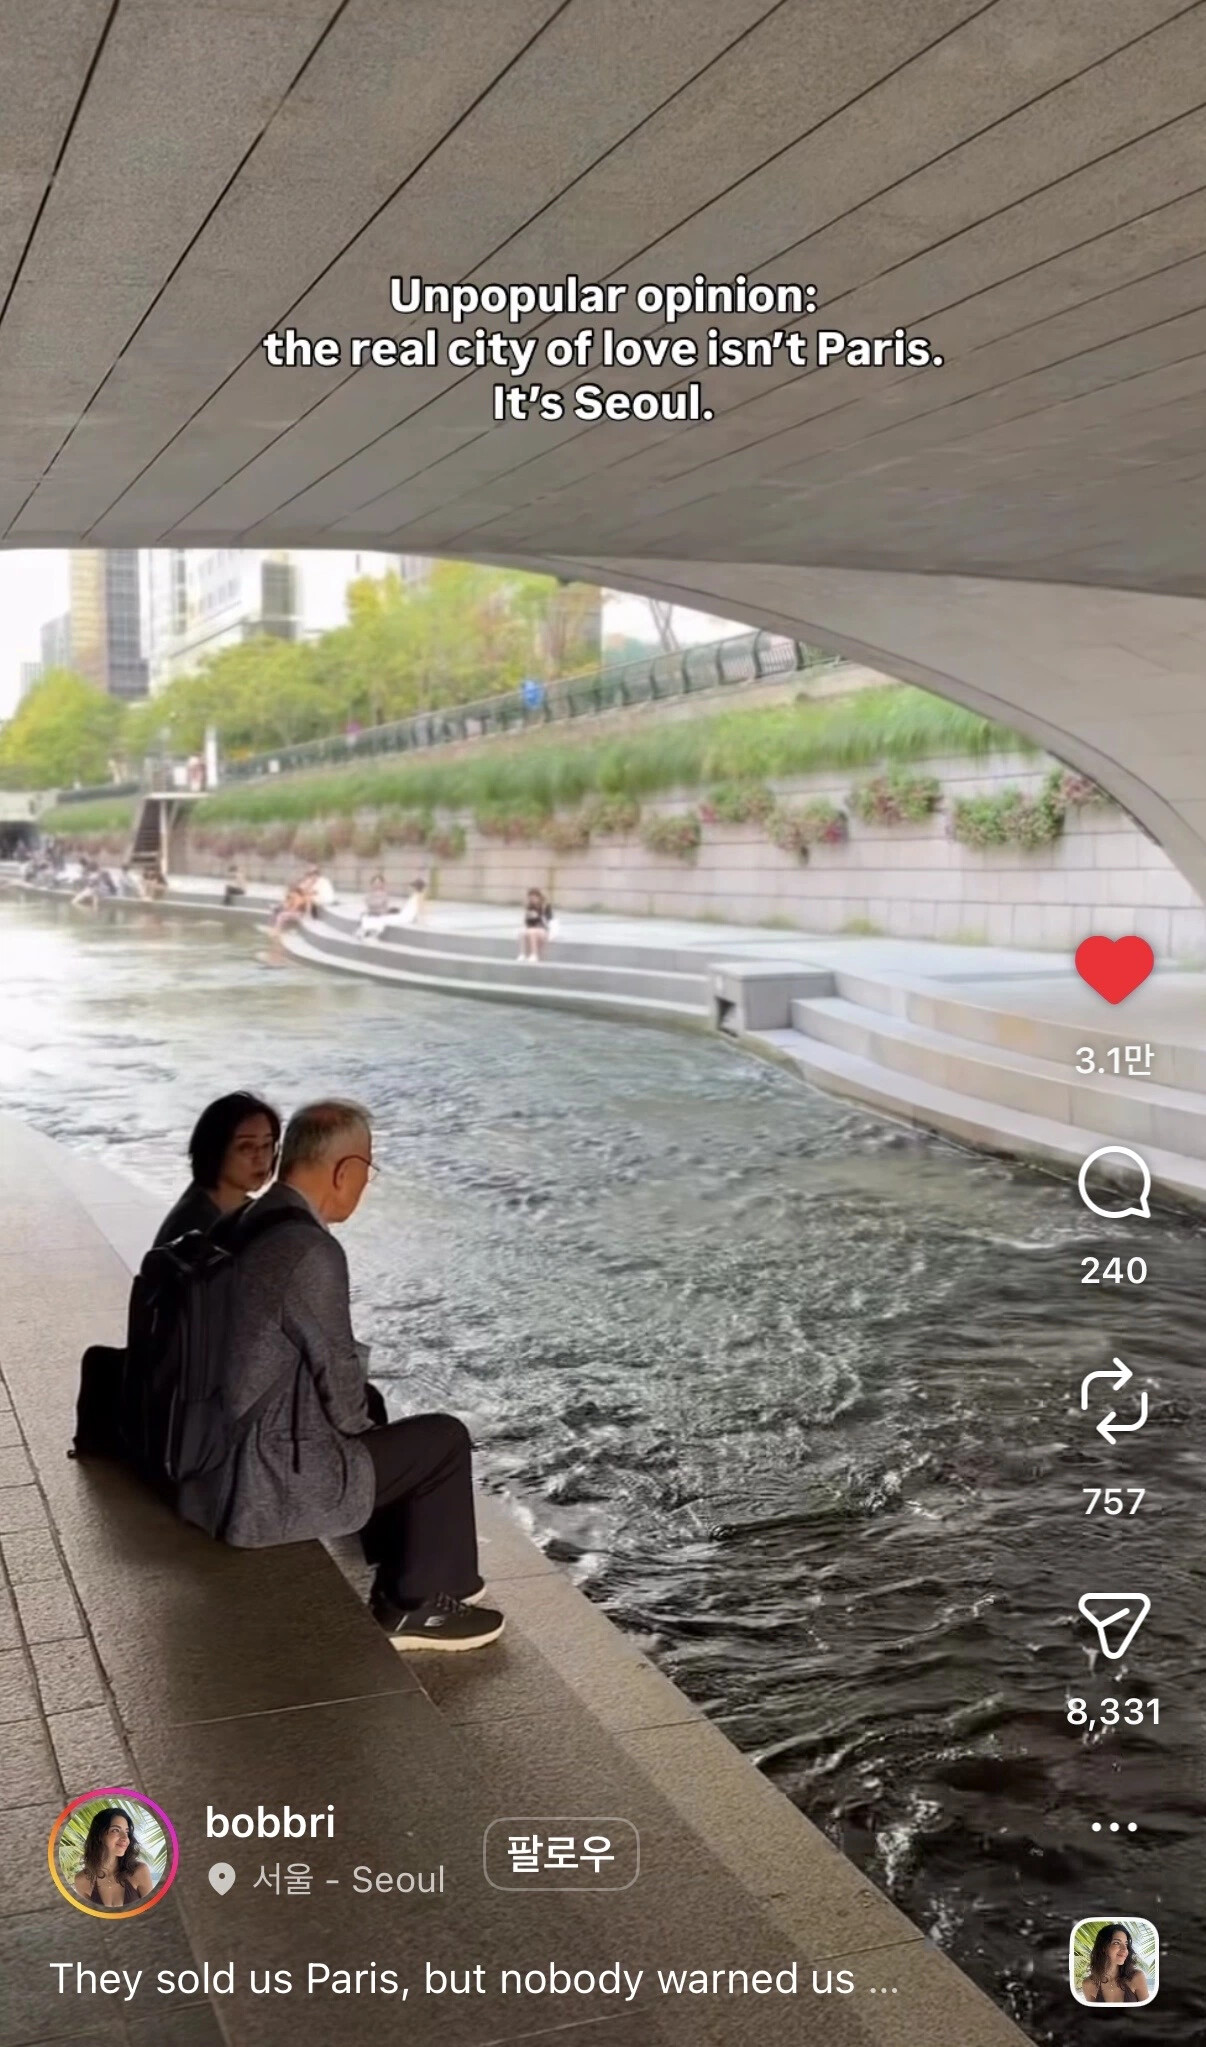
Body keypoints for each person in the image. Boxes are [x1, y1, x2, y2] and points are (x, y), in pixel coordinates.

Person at [175, 1099, 504, 1652]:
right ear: (345, 1170)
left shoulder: (248, 1221)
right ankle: (413, 1604)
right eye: (368, 1169)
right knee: (443, 1439)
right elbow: (341, 1393)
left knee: (374, 1406)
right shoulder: (308, 1250)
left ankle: (422, 1565)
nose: (366, 1183)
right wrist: (367, 1447)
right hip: (258, 1485)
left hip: (214, 1459)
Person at [153, 1092, 281, 1247]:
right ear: (215, 1150)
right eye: (246, 1147)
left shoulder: (246, 1210)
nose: (261, 1158)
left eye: (267, 1145)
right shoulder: (193, 1228)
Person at [71, 1808, 155, 1911]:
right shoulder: (81, 1881)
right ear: (99, 1835)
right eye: (116, 1830)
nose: (125, 1838)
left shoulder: (139, 1871)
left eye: (127, 1832)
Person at [1078, 1923, 1150, 2003]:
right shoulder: (1088, 1984)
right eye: (1117, 1943)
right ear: (1103, 1947)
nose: (1125, 1949)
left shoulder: (1137, 1977)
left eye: (1126, 1944)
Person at [357, 873, 397, 940]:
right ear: (372, 884)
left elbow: (381, 905)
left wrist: (376, 907)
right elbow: (368, 903)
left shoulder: (384, 894)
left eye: (379, 882)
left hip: (380, 914)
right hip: (371, 913)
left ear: (382, 884)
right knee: (365, 916)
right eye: (375, 882)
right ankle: (363, 931)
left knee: (380, 920)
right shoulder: (369, 894)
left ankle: (372, 934)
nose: (377, 884)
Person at [518, 886, 554, 961]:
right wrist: (528, 916)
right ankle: (523, 954)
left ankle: (534, 954)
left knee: (531, 932)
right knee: (522, 932)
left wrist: (538, 916)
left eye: (534, 898)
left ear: (539, 897)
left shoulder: (545, 906)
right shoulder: (529, 907)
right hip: (532, 929)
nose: (533, 900)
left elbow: (548, 920)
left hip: (544, 930)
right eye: (531, 898)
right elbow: (527, 924)